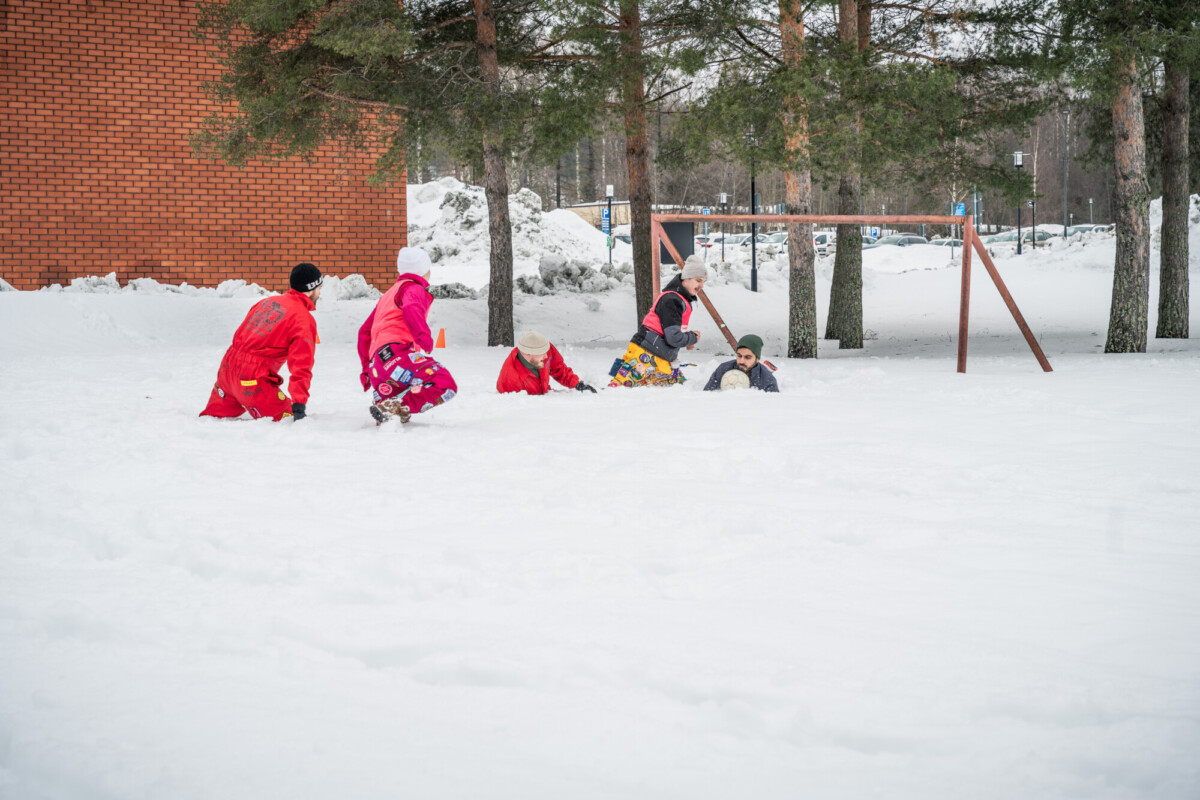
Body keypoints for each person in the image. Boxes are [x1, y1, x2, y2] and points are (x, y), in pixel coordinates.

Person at [200, 262, 322, 421]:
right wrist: (299, 403)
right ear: (311, 289)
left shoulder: (266, 302)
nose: (320, 293)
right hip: (252, 382)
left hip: (226, 372)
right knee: (288, 421)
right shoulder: (302, 319)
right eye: (319, 288)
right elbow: (301, 365)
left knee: (209, 422)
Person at [357, 246, 457, 424]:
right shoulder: (413, 288)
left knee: (399, 419)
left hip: (379, 367)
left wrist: (366, 369)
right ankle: (392, 408)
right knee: (444, 384)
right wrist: (423, 336)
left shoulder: (388, 294)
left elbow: (364, 332)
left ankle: (388, 408)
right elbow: (411, 307)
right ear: (425, 271)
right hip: (398, 355)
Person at [608, 254, 706, 387]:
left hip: (661, 356)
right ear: (686, 278)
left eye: (703, 282)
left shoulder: (680, 300)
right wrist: (691, 338)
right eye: (698, 280)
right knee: (619, 391)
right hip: (645, 354)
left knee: (676, 393)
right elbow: (673, 338)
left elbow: (672, 331)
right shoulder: (671, 300)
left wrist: (687, 338)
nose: (702, 285)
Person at [496, 331, 597, 395]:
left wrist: (576, 384)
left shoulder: (543, 349)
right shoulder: (510, 381)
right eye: (542, 354)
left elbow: (558, 368)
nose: (546, 356)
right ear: (527, 354)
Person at [703, 333, 779, 392]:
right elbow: (707, 395)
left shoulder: (768, 381)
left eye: (747, 357)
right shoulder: (723, 369)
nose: (741, 361)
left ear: (757, 359)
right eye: (739, 356)